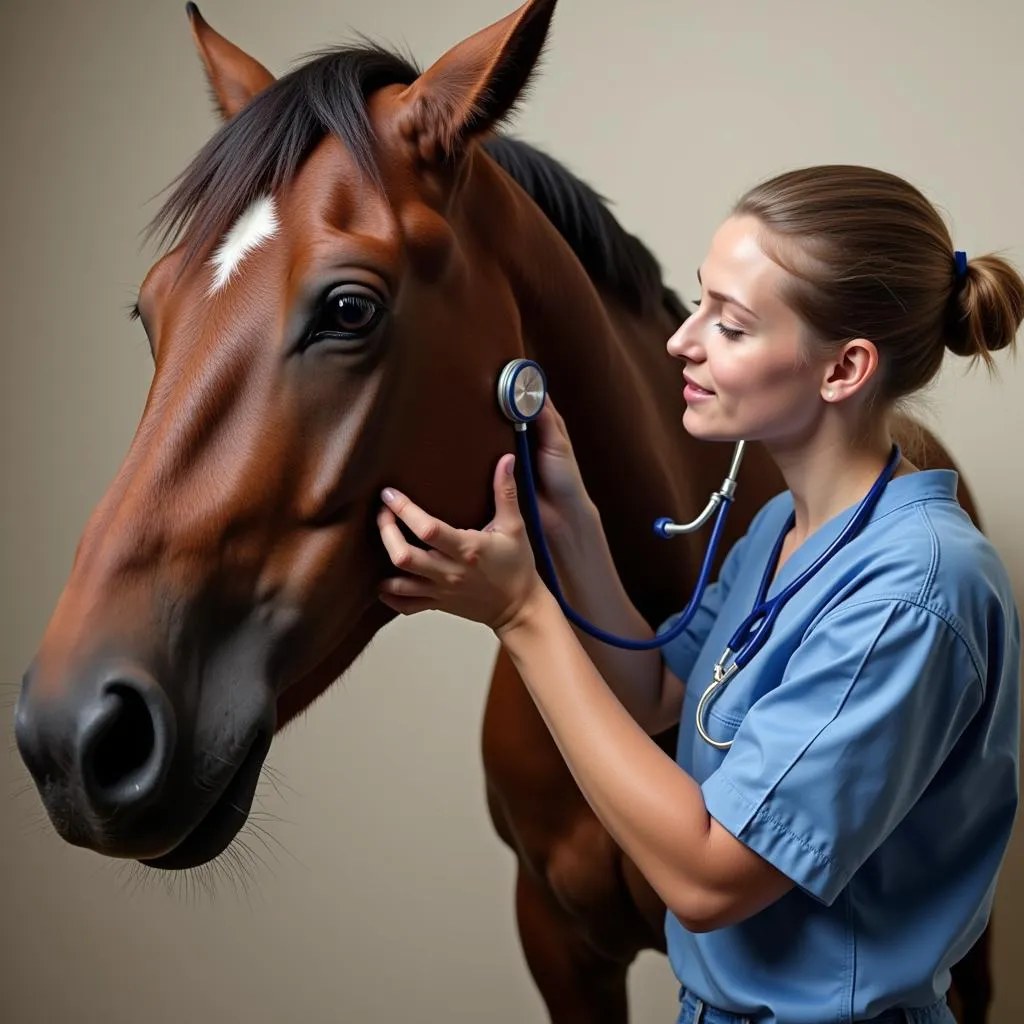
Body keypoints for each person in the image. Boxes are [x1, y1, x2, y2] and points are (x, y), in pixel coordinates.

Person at [374, 164, 1024, 1024]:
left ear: (844, 369)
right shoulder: (779, 535)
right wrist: (571, 527)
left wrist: (522, 614)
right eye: (698, 303)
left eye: (731, 323)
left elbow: (707, 878)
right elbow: (654, 693)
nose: (683, 341)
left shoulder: (913, 594)